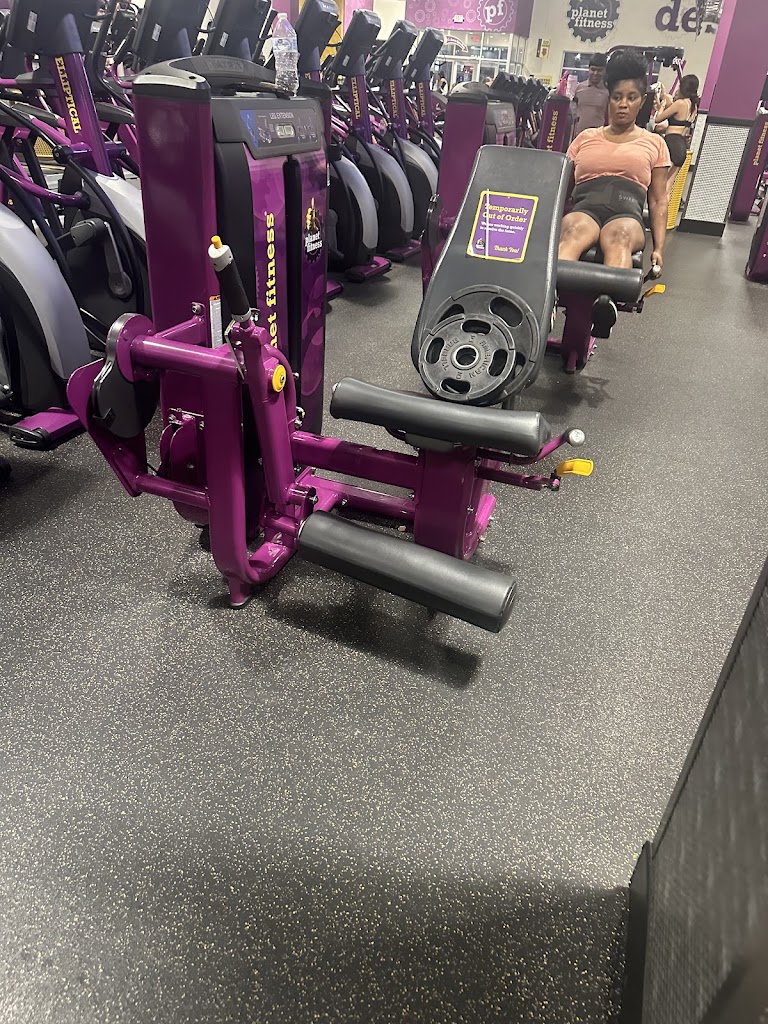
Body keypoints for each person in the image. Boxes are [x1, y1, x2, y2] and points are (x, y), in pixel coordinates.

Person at [558, 50, 671, 336]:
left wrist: (658, 248)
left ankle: (604, 305)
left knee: (618, 236)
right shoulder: (585, 138)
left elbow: (659, 200)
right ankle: (547, 299)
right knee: (572, 231)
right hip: (585, 210)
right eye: (617, 97)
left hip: (626, 214)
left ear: (641, 101)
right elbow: (562, 190)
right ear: (608, 99)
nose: (623, 104)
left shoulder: (654, 143)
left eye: (631, 97)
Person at [654, 74, 699, 200]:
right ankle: (665, 212)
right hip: (682, 146)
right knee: (668, 188)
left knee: (659, 186)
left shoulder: (680, 104)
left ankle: (656, 210)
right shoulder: (693, 107)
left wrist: (663, 105)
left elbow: (658, 119)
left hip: (672, 142)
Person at [572, 53, 609, 136]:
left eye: (599, 70)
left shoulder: (608, 92)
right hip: (577, 135)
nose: (595, 73)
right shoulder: (578, 88)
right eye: (593, 69)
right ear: (588, 69)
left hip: (598, 137)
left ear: (605, 71)